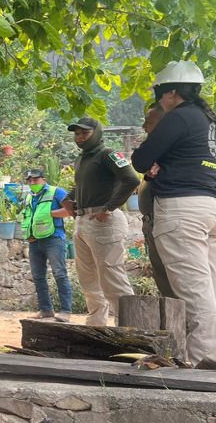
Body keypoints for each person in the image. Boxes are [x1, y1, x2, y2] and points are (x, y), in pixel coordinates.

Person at [131, 60, 216, 371]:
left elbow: (140, 158)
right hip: (213, 207)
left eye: (161, 95)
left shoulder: (179, 117)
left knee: (194, 292)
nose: (161, 102)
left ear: (171, 93)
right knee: (213, 288)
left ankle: (204, 366)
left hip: (182, 209)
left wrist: (154, 163)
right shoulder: (211, 121)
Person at [68, 117, 139, 327]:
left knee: (112, 278)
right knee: (88, 280)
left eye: (85, 133)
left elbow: (132, 179)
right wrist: (69, 198)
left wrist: (109, 207)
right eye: (77, 133)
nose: (80, 137)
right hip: (83, 221)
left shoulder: (108, 154)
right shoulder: (82, 159)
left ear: (97, 133)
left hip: (105, 221)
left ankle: (130, 329)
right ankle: (95, 328)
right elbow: (84, 185)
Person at [20, 168, 73, 321]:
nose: (32, 183)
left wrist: (51, 213)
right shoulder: (29, 196)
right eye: (29, 180)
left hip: (54, 239)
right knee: (38, 276)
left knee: (60, 274)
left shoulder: (56, 192)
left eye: (35, 180)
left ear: (43, 179)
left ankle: (65, 311)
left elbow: (70, 210)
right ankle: (45, 310)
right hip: (34, 241)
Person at [138, 103, 177, 299]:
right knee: (162, 276)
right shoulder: (156, 153)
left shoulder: (173, 151)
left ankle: (183, 324)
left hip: (164, 219)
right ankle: (173, 323)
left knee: (174, 278)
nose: (145, 127)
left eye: (149, 122)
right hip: (151, 220)